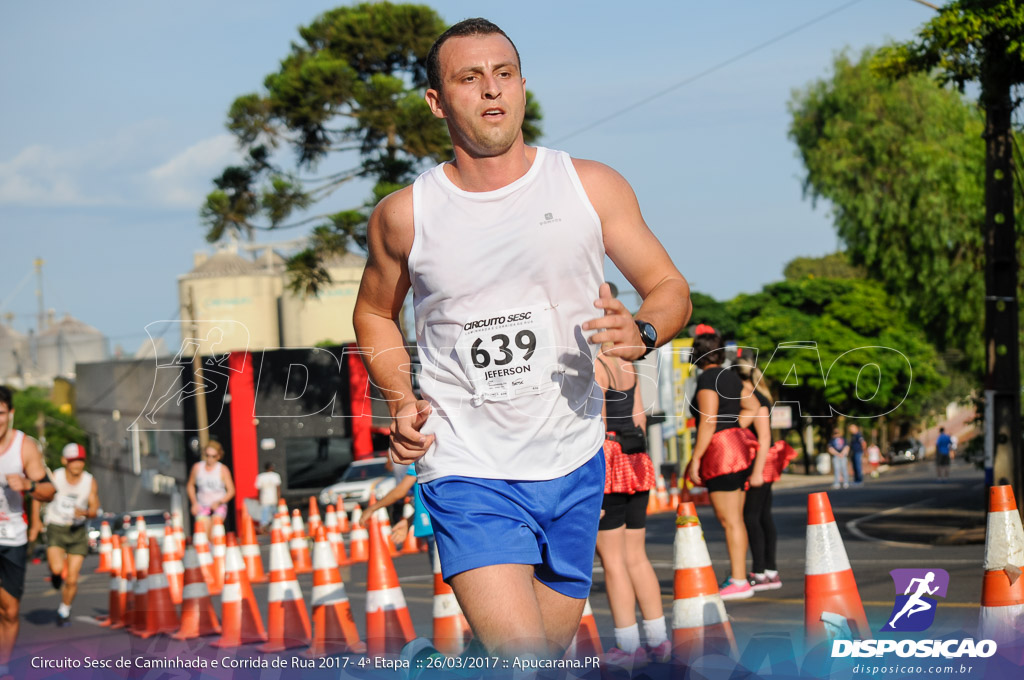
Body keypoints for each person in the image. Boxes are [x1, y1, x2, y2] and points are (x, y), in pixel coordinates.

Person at [352, 18, 690, 658]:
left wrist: (640, 331)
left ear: (523, 87)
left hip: (574, 462)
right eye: (469, 78)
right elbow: (373, 314)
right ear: (437, 101)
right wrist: (401, 397)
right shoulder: (406, 215)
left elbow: (669, 286)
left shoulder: (589, 186)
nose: (490, 91)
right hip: (468, 470)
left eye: (503, 74)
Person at [593, 327, 670, 666]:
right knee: (637, 557)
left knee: (613, 561)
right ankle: (658, 639)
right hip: (636, 459)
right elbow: (638, 417)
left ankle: (627, 644)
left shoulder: (598, 363)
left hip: (608, 462)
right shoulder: (628, 362)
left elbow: (597, 422)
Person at [685, 331, 763, 601]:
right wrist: (735, 428)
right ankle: (739, 577)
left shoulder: (708, 377)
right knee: (735, 519)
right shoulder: (731, 375)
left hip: (721, 451)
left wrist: (695, 458)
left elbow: (707, 420)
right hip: (737, 447)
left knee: (729, 520)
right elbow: (752, 406)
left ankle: (739, 580)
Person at [0, 386, 56, 678]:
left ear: (10, 413)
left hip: (12, 536)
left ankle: (4, 664)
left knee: (9, 610)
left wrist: (29, 485)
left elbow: (49, 491)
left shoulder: (24, 447)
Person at [733, 353, 781, 592]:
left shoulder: (752, 398)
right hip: (766, 460)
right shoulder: (761, 394)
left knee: (752, 517)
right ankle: (769, 570)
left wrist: (757, 472)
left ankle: (761, 571)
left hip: (759, 462)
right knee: (763, 516)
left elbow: (763, 437)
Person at [42, 443, 99, 626]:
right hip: (56, 527)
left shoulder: (89, 481)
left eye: (81, 461)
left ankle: (64, 610)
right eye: (74, 461)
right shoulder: (55, 476)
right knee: (57, 569)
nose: (77, 465)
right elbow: (40, 496)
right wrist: (36, 522)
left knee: (73, 578)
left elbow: (94, 508)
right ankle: (55, 575)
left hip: (77, 530)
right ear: (65, 461)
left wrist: (85, 513)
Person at [363, 462, 435, 567]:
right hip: (436, 525)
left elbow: (400, 491)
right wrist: (409, 521)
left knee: (443, 575)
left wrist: (372, 508)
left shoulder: (422, 459)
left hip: (435, 528)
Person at [187, 440, 235, 521]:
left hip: (218, 505)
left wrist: (219, 502)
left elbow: (231, 491)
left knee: (216, 524)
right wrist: (194, 503)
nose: (210, 459)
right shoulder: (197, 467)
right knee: (202, 528)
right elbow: (190, 485)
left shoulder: (223, 469)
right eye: (207, 455)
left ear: (219, 456)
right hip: (202, 505)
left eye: (213, 456)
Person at [254, 462, 281, 532]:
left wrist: (259, 498)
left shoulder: (261, 476)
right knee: (274, 515)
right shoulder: (275, 476)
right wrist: (278, 498)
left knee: (266, 516)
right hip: (272, 499)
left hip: (265, 499)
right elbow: (278, 489)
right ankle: (272, 528)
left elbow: (259, 489)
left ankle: (268, 528)